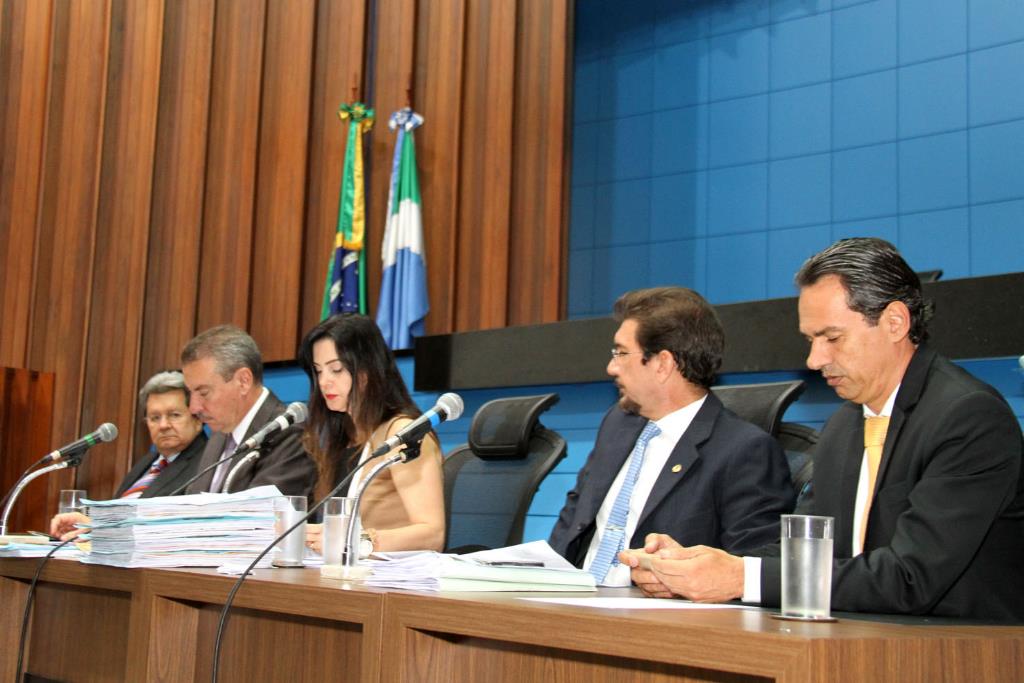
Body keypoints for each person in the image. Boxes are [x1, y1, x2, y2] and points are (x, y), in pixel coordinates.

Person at [622, 238, 1024, 622]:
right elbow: (806, 551)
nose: (815, 360)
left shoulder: (967, 417)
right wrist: (699, 565)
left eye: (832, 337)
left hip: (960, 649)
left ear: (895, 322)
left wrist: (741, 578)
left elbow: (910, 578)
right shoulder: (845, 425)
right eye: (811, 340)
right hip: (863, 637)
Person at [548, 287, 795, 586]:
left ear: (663, 364)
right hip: (573, 597)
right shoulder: (617, 424)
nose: (611, 367)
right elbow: (572, 521)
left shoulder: (746, 451)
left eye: (621, 353)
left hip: (646, 609)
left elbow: (746, 570)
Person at [298, 314, 444, 554]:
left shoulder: (403, 435)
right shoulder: (344, 436)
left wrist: (355, 540)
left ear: (367, 371)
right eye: (318, 371)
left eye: (336, 369)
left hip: (394, 573)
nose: (324, 382)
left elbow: (432, 534)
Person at [50, 371, 208, 540]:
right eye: (155, 417)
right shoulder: (148, 463)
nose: (163, 425)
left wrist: (96, 529)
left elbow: (173, 526)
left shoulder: (207, 463)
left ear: (198, 418)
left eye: (174, 415)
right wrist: (89, 523)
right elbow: (124, 517)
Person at [182, 325, 315, 497]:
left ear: (243, 381)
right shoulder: (219, 435)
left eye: (204, 393)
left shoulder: (290, 435)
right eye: (190, 393)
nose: (194, 407)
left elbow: (261, 510)